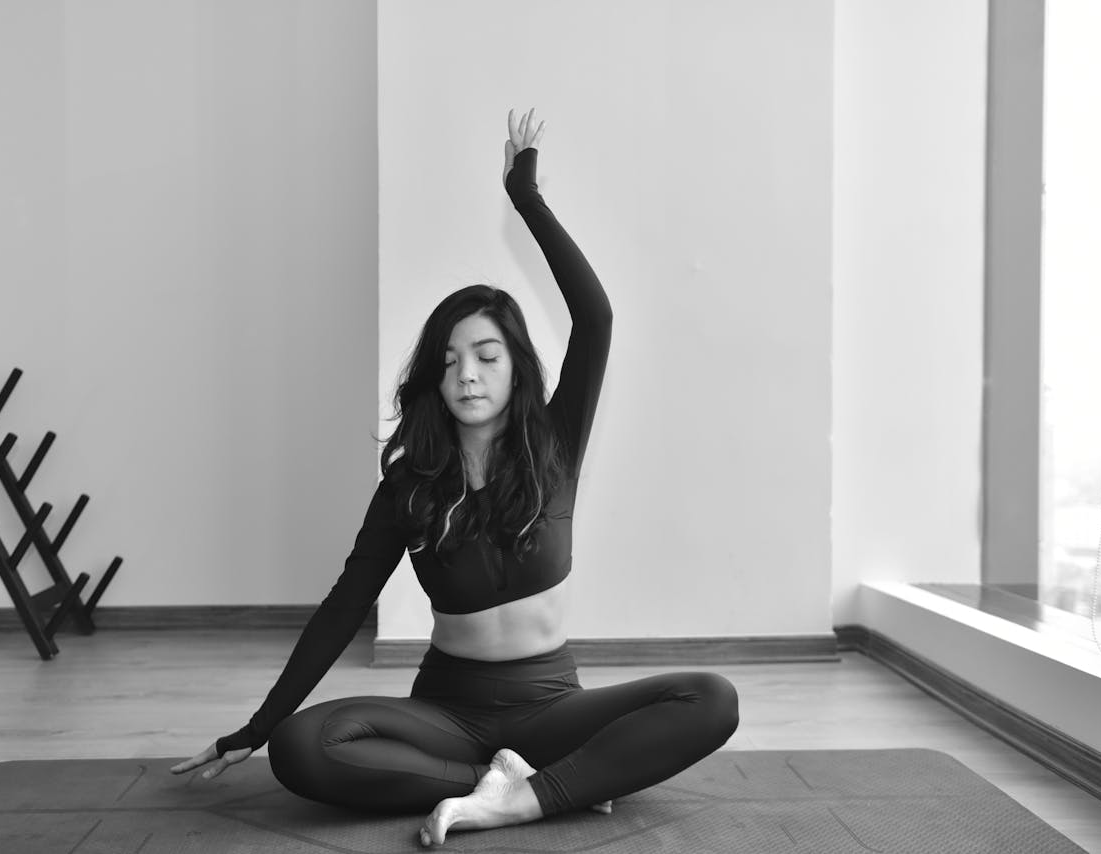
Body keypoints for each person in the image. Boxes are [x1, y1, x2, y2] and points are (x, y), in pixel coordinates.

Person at [171, 108, 739, 847]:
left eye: (486, 355)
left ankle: (522, 796)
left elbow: (595, 318)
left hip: (550, 708)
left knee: (711, 698)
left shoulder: (556, 445)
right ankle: (530, 788)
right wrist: (256, 727)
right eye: (447, 360)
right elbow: (345, 607)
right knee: (303, 747)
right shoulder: (410, 485)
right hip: (447, 714)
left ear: (515, 367)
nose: (465, 373)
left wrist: (526, 197)